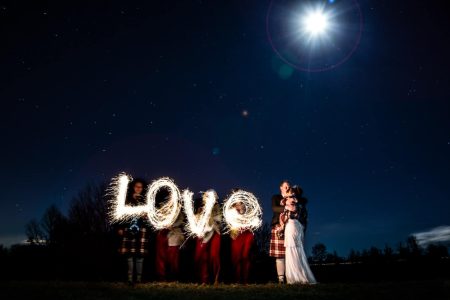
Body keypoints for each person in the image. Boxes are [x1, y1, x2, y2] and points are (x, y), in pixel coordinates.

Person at [280, 187, 316, 284]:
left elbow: (288, 209)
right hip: (297, 226)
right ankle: (298, 275)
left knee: (293, 249)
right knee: (296, 249)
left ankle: (296, 277)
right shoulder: (297, 202)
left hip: (292, 226)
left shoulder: (292, 202)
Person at [117, 179, 150, 285]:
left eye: (140, 187)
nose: (138, 189)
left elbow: (148, 216)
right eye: (136, 186)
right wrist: (120, 227)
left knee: (140, 255)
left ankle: (139, 279)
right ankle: (130, 278)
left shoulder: (145, 201)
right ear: (133, 187)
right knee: (129, 254)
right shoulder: (127, 199)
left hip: (141, 229)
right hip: (128, 228)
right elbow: (121, 215)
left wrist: (146, 216)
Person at [155, 189, 185, 281]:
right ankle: (161, 277)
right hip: (162, 234)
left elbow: (181, 220)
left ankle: (174, 277)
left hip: (174, 235)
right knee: (161, 257)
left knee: (173, 258)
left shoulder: (179, 208)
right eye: (171, 195)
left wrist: (172, 225)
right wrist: (162, 224)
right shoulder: (162, 207)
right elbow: (157, 218)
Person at [194, 191, 222, 284]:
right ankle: (204, 279)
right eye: (205, 196)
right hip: (204, 234)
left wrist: (211, 216)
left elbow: (220, 218)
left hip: (214, 233)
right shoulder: (200, 209)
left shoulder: (216, 207)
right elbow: (196, 220)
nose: (206, 198)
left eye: (208, 196)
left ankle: (216, 279)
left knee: (214, 256)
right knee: (202, 256)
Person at [269, 180, 290, 283]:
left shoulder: (292, 198)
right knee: (280, 255)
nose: (287, 188)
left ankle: (290, 277)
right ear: (281, 187)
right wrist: (286, 207)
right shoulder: (276, 197)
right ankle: (281, 279)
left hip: (290, 227)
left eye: (288, 187)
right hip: (278, 225)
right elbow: (274, 208)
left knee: (290, 254)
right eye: (285, 186)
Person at [230, 200, 254, 284]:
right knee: (236, 257)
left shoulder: (247, 209)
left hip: (247, 234)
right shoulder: (231, 210)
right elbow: (230, 224)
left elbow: (252, 220)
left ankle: (245, 279)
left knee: (246, 256)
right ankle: (237, 279)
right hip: (236, 235)